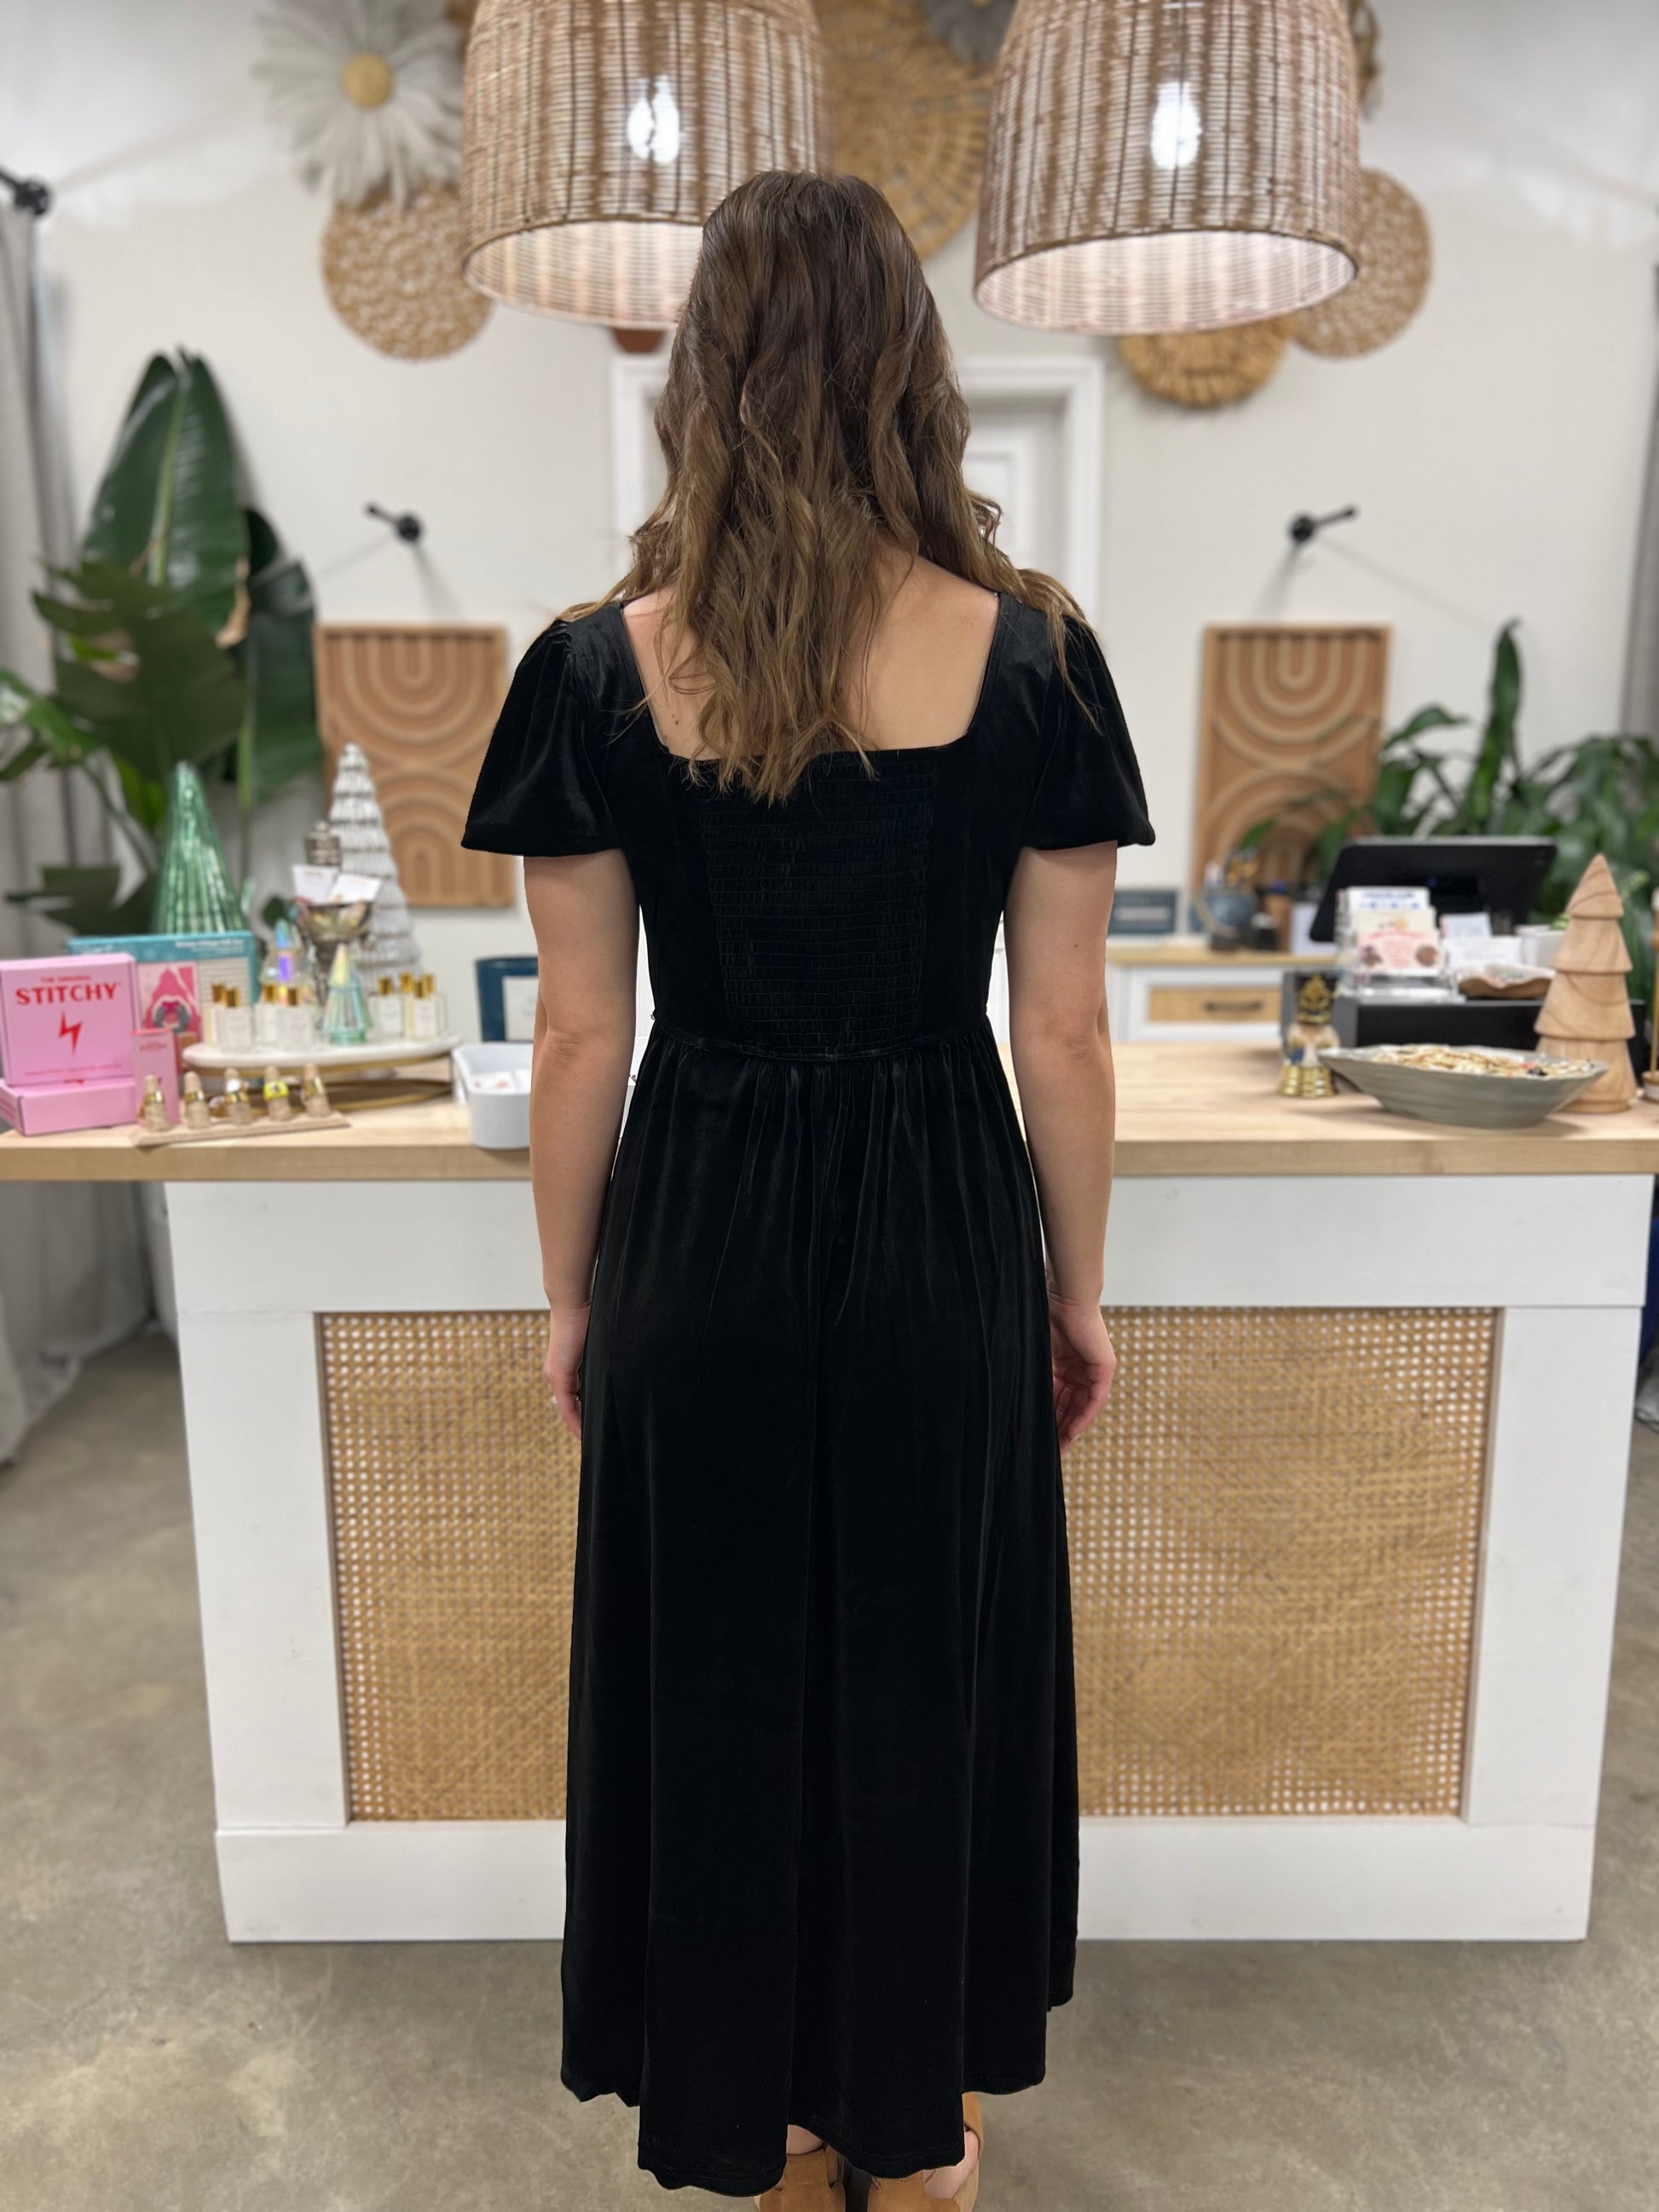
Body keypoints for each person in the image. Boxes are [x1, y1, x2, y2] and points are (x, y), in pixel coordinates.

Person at [463, 168, 1155, 2209]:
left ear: (703, 378)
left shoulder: (592, 671)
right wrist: (1075, 1289)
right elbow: (1064, 1032)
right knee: (926, 1676)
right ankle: (914, 2135)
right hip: (942, 1221)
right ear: (911, 379)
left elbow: (576, 1036)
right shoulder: (1036, 662)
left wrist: (576, 1297)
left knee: (717, 1681)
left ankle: (758, 2122)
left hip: (699, 1226)